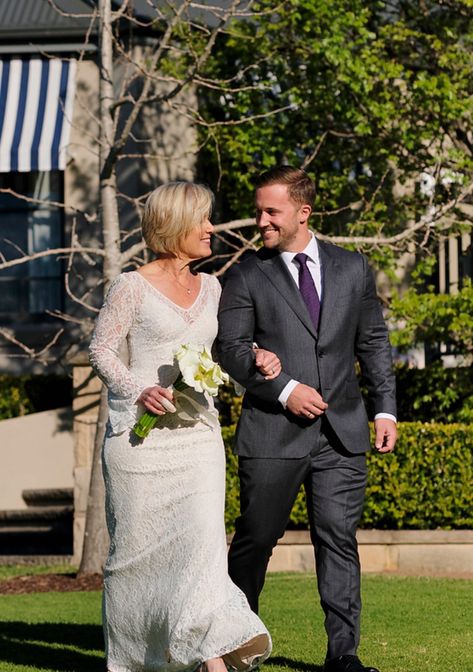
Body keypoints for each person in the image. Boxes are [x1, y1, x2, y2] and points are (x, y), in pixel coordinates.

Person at [89, 181, 276, 672]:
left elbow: (222, 351)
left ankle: (210, 659)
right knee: (139, 560)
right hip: (140, 444)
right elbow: (102, 350)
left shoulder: (214, 287)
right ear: (172, 226)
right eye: (202, 221)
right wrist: (138, 389)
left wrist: (256, 355)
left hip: (198, 440)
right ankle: (144, 658)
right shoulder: (131, 286)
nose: (211, 229)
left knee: (202, 549)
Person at [217, 166, 397, 672]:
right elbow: (228, 349)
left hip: (342, 434)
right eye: (259, 211)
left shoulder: (352, 268)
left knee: (338, 539)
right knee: (256, 539)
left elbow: (374, 342)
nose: (261, 221)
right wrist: (285, 389)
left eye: (271, 211)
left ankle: (344, 656)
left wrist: (384, 408)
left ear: (303, 211)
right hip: (272, 434)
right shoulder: (247, 273)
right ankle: (236, 647)